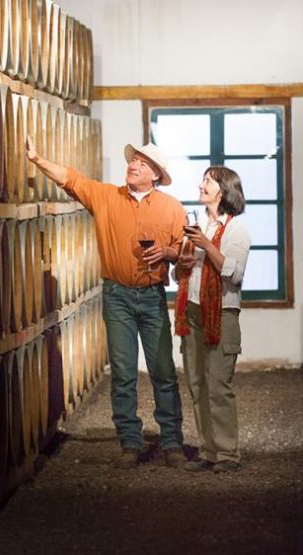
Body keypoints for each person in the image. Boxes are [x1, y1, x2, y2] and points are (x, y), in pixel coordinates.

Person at [25, 136, 187, 469]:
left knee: (163, 372)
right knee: (124, 373)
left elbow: (186, 254)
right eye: (132, 160)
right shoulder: (107, 196)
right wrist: (38, 160)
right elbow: (71, 178)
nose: (133, 165)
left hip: (153, 296)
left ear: (155, 174)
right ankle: (130, 443)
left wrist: (168, 252)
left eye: (142, 163)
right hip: (117, 296)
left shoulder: (171, 207)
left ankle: (172, 442)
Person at [173, 166, 251, 473]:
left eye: (208, 181)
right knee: (197, 383)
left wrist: (206, 246)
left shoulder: (235, 229)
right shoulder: (198, 224)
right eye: (203, 180)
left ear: (224, 190)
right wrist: (181, 263)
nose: (201, 185)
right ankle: (207, 450)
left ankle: (228, 454)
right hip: (192, 311)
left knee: (218, 385)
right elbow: (178, 274)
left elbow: (234, 274)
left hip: (221, 313)